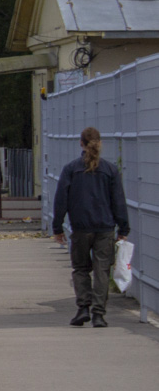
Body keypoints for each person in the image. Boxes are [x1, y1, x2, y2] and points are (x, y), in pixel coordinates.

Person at [52, 127, 130, 328]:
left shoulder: (71, 169)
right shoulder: (110, 170)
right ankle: (99, 314)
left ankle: (83, 308)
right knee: (101, 270)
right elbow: (118, 202)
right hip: (104, 228)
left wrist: (57, 227)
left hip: (80, 227)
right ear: (100, 143)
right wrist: (123, 229)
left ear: (81, 144)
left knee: (80, 269)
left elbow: (61, 200)